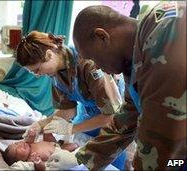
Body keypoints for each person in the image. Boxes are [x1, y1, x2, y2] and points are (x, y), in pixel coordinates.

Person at [48, 1, 186, 170]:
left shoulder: (166, 28)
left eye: (92, 57)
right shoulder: (134, 61)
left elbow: (163, 129)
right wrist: (81, 158)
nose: (96, 66)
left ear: (102, 36)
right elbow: (128, 118)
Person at [15, 31, 126, 169]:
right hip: (88, 112)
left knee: (110, 157)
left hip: (114, 116)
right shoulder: (56, 74)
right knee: (82, 148)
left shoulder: (89, 65)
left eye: (38, 70)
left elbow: (111, 116)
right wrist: (40, 124)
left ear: (49, 55)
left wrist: (71, 128)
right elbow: (68, 111)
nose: (38, 75)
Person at [2, 129, 79, 170]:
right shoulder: (31, 160)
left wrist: (31, 134)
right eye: (17, 149)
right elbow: (42, 168)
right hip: (58, 152)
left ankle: (58, 140)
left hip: (51, 142)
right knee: (74, 146)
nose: (19, 144)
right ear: (20, 160)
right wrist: (38, 162)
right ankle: (73, 147)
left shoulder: (28, 144)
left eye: (16, 143)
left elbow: (30, 139)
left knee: (46, 130)